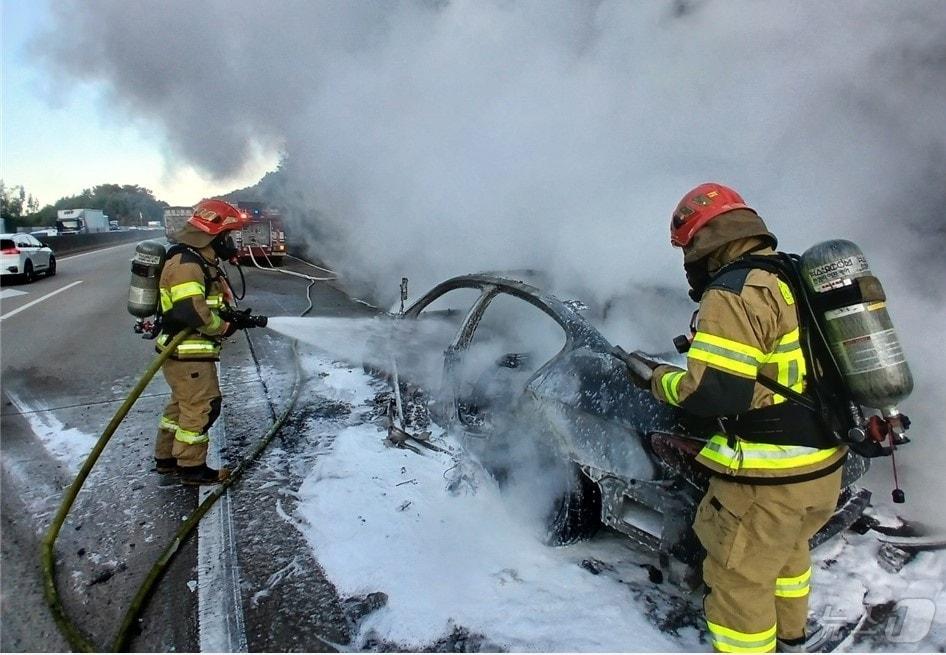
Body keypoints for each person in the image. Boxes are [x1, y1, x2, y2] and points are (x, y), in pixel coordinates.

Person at [626, 183, 847, 653]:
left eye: (687, 249)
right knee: (787, 559)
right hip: (822, 466)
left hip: (767, 480)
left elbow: (713, 394)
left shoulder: (732, 293)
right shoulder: (792, 273)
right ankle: (792, 639)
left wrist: (657, 378)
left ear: (700, 242)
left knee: (738, 581)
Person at [153, 199, 262, 486]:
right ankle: (192, 467)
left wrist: (233, 315)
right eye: (228, 236)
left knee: (181, 406)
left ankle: (166, 458)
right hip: (188, 352)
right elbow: (191, 310)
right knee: (202, 406)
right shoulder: (187, 264)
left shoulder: (198, 259)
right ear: (214, 235)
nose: (231, 243)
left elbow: (205, 301)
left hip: (183, 352)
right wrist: (224, 326)